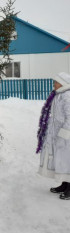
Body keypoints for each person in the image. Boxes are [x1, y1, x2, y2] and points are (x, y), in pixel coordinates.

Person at [37, 72, 70, 200]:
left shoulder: (67, 96)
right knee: (61, 160)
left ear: (62, 83)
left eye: (55, 82)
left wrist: (64, 134)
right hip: (57, 133)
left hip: (66, 135)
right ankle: (64, 183)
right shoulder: (59, 95)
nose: (54, 84)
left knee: (67, 159)